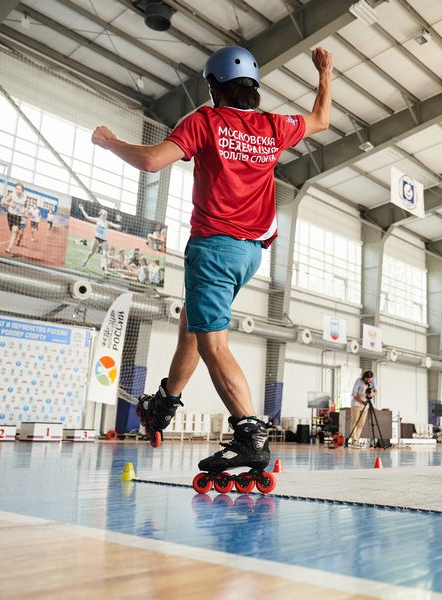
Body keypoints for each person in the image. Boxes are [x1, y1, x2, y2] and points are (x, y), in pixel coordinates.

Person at [91, 45, 333, 479]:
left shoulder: (205, 121)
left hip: (214, 249)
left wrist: (110, 143)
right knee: (193, 322)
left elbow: (152, 161)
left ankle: (249, 433)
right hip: (249, 254)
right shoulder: (273, 126)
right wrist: (325, 73)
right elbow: (321, 119)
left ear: (213, 86)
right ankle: (165, 402)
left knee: (212, 343)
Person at [79, 205, 121, 272]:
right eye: (104, 215)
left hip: (104, 240)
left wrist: (117, 226)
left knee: (105, 254)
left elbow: (113, 224)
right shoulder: (97, 220)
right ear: (101, 215)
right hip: (97, 238)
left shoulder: (107, 222)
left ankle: (106, 270)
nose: (105, 216)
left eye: (106, 215)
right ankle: (86, 260)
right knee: (91, 252)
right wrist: (82, 209)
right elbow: (87, 217)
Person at [348, 370, 378, 448]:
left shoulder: (373, 381)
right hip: (356, 404)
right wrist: (362, 401)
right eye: (367, 379)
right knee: (354, 422)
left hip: (366, 404)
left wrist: (372, 394)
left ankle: (357, 440)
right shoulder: (358, 381)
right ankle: (354, 441)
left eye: (370, 379)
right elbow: (354, 394)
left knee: (361, 423)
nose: (369, 380)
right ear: (364, 377)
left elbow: (376, 391)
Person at [2, 182, 26, 254]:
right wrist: (10, 204)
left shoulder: (24, 198)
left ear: (22, 190)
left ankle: (9, 247)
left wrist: (24, 211)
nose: (18, 190)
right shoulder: (12, 195)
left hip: (18, 216)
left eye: (20, 189)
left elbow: (24, 207)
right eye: (17, 189)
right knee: (12, 230)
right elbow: (4, 201)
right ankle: (15, 235)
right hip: (10, 214)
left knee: (14, 230)